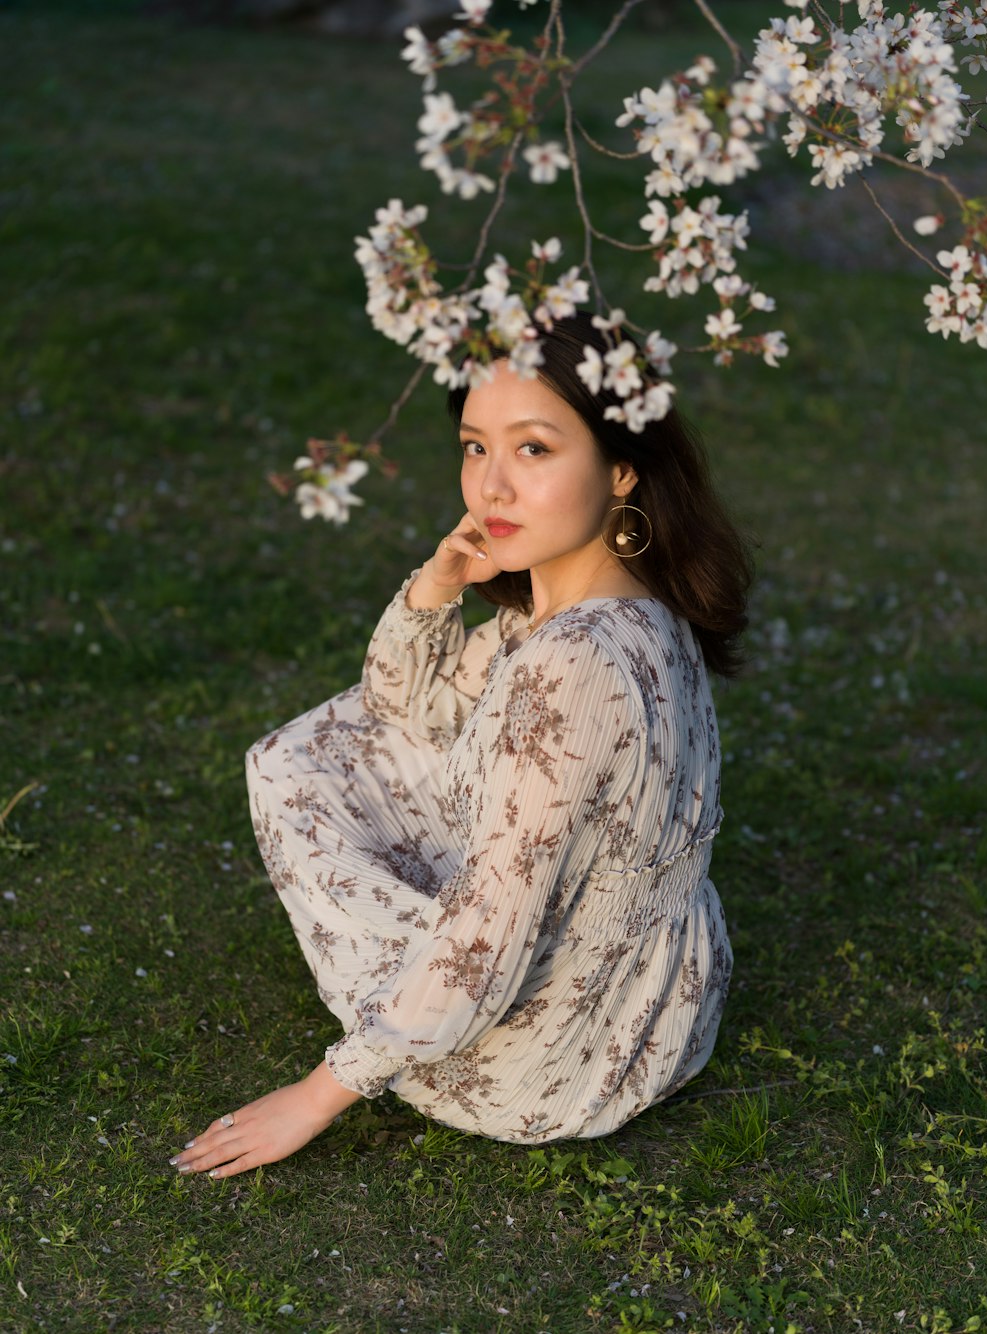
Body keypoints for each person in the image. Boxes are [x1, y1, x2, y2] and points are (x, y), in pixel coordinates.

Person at [169, 313, 752, 1180]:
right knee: (309, 751)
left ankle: (411, 1023)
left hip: (560, 1056)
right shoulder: (608, 602)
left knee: (294, 770)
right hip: (666, 993)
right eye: (476, 448)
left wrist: (323, 1090)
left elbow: (494, 925)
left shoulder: (574, 665)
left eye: (534, 450)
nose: (492, 490)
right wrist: (439, 585)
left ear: (621, 466)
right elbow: (397, 707)